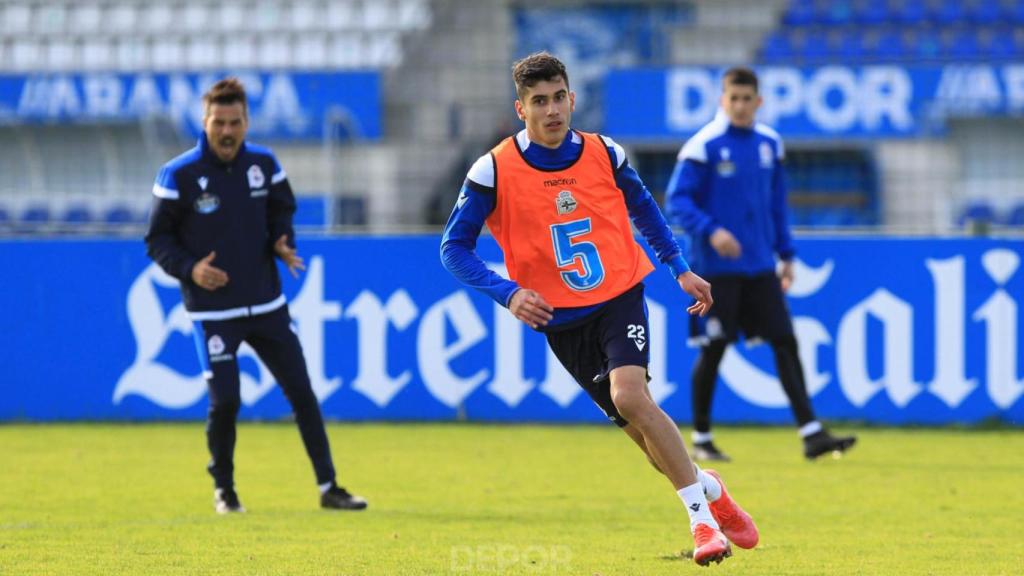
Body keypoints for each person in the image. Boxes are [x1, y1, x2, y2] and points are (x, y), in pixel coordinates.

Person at [441, 52, 758, 566]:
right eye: (538, 101)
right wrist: (508, 291)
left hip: (618, 296)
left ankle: (702, 526)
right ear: (520, 109)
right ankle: (710, 491)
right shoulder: (494, 168)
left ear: (572, 97)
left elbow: (645, 209)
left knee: (631, 395)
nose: (551, 110)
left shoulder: (604, 152)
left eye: (559, 97)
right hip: (561, 321)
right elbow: (453, 248)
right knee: (645, 438)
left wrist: (679, 268)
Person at [145, 78, 367, 514]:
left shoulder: (264, 164)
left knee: (302, 393)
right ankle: (224, 490)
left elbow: (281, 209)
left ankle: (329, 487)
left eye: (235, 122)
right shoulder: (179, 175)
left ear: (246, 122)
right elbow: (157, 241)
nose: (226, 131)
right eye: (218, 123)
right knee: (226, 401)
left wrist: (283, 240)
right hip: (213, 312)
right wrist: (191, 269)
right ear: (204, 122)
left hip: (266, 304)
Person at [664, 67, 857, 462]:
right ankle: (701, 439)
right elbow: (677, 200)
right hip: (715, 270)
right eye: (732, 98)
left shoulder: (770, 144)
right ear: (722, 100)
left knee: (785, 342)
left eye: (745, 98)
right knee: (715, 346)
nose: (738, 105)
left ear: (759, 101)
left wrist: (786, 255)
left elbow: (775, 206)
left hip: (759, 267)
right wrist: (712, 229)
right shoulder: (703, 146)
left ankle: (811, 433)